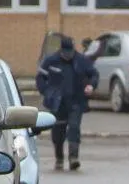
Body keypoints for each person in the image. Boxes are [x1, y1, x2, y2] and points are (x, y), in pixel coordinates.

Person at [35, 35, 98, 171]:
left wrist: (91, 86)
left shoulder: (81, 61)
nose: (68, 55)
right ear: (61, 50)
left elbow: (94, 74)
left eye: (70, 52)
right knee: (58, 131)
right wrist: (47, 92)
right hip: (57, 103)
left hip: (76, 101)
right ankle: (59, 158)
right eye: (65, 53)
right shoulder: (51, 61)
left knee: (74, 128)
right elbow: (40, 78)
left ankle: (73, 158)